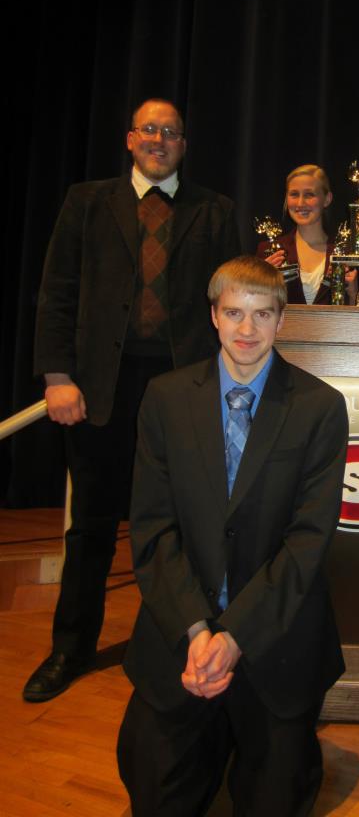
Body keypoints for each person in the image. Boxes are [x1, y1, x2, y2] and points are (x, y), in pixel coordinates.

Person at [23, 98, 240, 703]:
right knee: (91, 526)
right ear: (129, 138)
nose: (160, 139)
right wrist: (57, 376)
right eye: (150, 129)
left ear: (184, 145)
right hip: (98, 389)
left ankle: (184, 642)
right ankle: (70, 647)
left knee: (189, 524)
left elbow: (232, 302)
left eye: (171, 131)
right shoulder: (86, 202)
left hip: (185, 392)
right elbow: (58, 292)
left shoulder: (216, 211)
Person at [117, 256, 348, 817]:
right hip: (183, 626)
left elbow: (308, 541)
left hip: (275, 634)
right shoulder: (166, 399)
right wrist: (198, 632)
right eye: (234, 313)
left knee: (277, 797)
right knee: (153, 784)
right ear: (214, 316)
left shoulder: (319, 406)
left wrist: (235, 637)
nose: (248, 330)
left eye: (262, 314)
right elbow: (152, 528)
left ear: (281, 320)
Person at [257, 163, 357, 304]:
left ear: (327, 199)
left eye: (309, 195)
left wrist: (353, 295)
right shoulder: (268, 251)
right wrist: (258, 283)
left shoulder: (348, 252)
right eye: (294, 194)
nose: (300, 203)